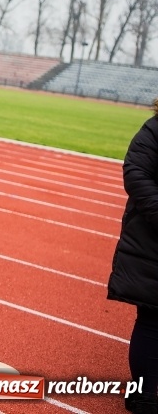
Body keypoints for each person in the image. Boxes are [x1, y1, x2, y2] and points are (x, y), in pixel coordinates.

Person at [108, 101, 158, 414]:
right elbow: (136, 173)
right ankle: (144, 396)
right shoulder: (155, 130)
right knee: (153, 320)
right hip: (152, 243)